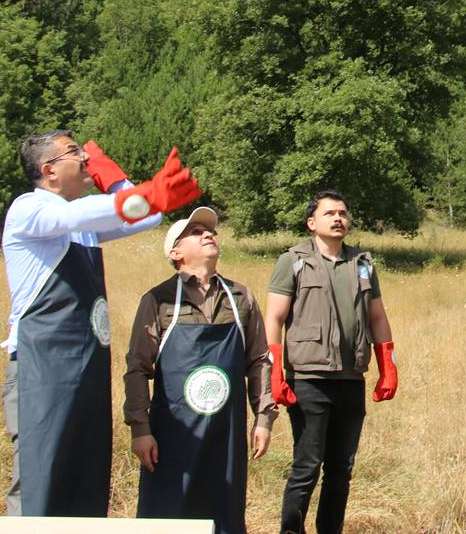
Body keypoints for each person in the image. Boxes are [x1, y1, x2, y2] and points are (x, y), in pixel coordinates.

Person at [1, 131, 201, 517]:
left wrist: (115, 178)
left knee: (85, 475)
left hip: (85, 366)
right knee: (40, 477)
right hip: (40, 368)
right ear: (49, 171)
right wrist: (140, 193)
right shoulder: (31, 209)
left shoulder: (85, 223)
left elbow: (148, 216)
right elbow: (79, 213)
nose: (85, 159)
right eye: (74, 153)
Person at [125, 206, 278, 534]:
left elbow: (259, 361)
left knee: (222, 517)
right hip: (171, 437)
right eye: (195, 232)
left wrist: (264, 418)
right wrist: (140, 429)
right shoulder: (159, 300)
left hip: (226, 436)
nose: (208, 234)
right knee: (167, 517)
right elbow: (137, 369)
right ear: (175, 252)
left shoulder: (240, 298)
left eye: (210, 231)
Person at [265, 189, 399, 534]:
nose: (338, 218)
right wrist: (275, 370)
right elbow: (274, 318)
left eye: (342, 213)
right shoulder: (292, 261)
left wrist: (388, 365)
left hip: (351, 379)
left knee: (341, 469)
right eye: (329, 213)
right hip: (308, 379)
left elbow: (377, 317)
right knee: (307, 466)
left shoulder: (363, 263)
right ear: (312, 223)